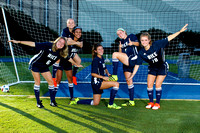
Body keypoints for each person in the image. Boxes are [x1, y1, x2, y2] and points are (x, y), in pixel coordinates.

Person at [127, 24, 188, 110]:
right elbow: (137, 64)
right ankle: (151, 102)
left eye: (145, 40)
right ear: (140, 41)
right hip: (152, 68)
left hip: (162, 66)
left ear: (149, 40)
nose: (144, 42)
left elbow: (169, 38)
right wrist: (132, 75)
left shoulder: (156, 44)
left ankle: (157, 103)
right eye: (142, 40)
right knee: (149, 85)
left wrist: (180, 31)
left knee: (158, 84)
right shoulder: (141, 52)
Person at [8, 37, 81, 108]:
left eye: (63, 43)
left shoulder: (61, 52)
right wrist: (19, 42)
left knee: (51, 83)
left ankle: (52, 101)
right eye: (60, 42)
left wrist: (76, 64)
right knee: (38, 82)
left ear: (64, 46)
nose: (61, 44)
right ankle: (38, 102)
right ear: (56, 41)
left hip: (44, 66)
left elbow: (68, 58)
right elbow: (33, 44)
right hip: (35, 64)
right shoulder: (48, 45)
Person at [70, 44, 121, 109]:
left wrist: (108, 73)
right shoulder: (95, 60)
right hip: (97, 83)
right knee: (116, 84)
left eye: (102, 48)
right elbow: (93, 73)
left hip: (99, 81)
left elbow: (104, 67)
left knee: (95, 103)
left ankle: (76, 102)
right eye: (99, 49)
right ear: (95, 51)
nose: (101, 50)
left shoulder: (101, 58)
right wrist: (103, 77)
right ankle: (111, 104)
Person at [109, 28, 139, 107]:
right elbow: (120, 55)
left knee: (114, 54)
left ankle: (114, 75)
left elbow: (138, 44)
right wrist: (120, 47)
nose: (119, 35)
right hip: (126, 62)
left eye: (120, 33)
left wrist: (132, 43)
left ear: (124, 31)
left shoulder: (131, 36)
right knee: (129, 81)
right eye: (118, 34)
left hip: (133, 58)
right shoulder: (121, 42)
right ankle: (131, 101)